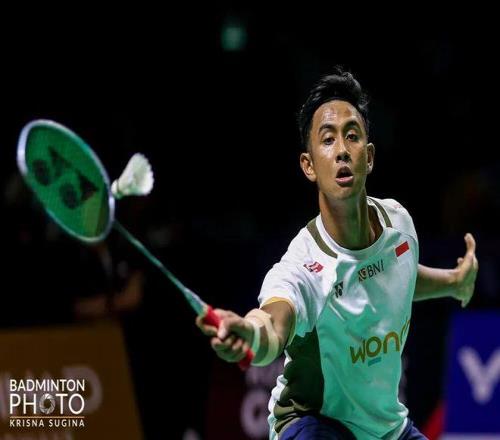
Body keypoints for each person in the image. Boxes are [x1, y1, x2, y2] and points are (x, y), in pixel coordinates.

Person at [196, 67, 478, 440]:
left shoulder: (399, 224)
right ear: (309, 165)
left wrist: (455, 282)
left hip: (385, 428)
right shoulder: (304, 265)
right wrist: (249, 334)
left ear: (369, 157)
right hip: (313, 421)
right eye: (328, 140)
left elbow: (398, 276)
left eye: (352, 136)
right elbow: (274, 323)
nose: (342, 150)